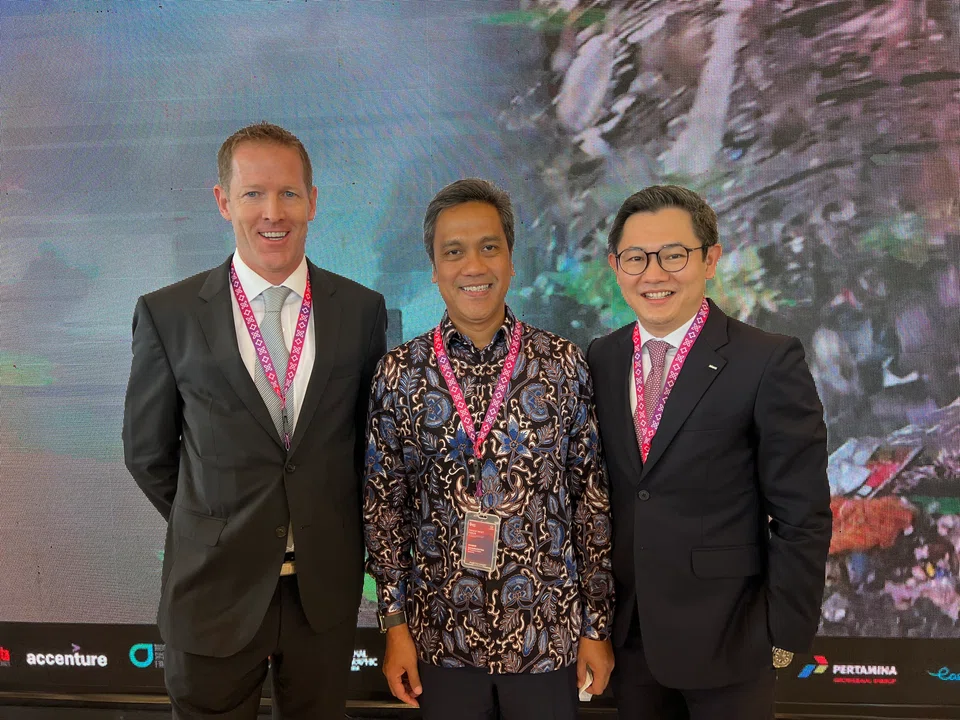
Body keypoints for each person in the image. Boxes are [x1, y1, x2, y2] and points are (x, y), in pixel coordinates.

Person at [122, 122, 387, 719]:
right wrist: (220, 521)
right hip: (214, 589)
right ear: (223, 201)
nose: (274, 212)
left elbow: (364, 449)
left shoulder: (362, 311)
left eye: (290, 193)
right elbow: (148, 453)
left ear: (313, 201)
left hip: (321, 594)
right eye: (253, 193)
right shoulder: (168, 314)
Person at [362, 179, 615, 720]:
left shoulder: (563, 365)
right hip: (441, 639)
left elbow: (591, 504)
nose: (472, 266)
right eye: (453, 252)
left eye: (488, 247)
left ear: (511, 259)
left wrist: (597, 627)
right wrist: (395, 627)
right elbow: (385, 511)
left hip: (546, 637)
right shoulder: (400, 374)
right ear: (433, 267)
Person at [586, 185, 832, 720]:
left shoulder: (767, 361)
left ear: (711, 259)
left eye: (674, 255)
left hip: (732, 640)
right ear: (615, 266)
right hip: (630, 641)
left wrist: (784, 630)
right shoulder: (601, 359)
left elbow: (801, 513)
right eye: (636, 258)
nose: (654, 274)